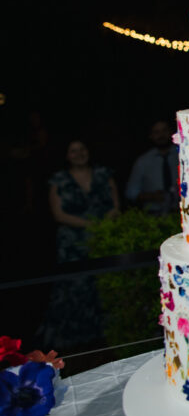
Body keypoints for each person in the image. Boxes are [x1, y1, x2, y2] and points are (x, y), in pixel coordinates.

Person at [46, 139, 121, 347]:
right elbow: (58, 214)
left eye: (82, 149)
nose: (79, 154)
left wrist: (105, 223)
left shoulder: (104, 174)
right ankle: (75, 340)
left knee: (104, 285)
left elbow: (116, 205)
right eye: (73, 151)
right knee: (74, 288)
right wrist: (90, 224)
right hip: (73, 244)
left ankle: (107, 334)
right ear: (67, 155)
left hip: (102, 239)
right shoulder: (59, 180)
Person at [125, 120, 179, 215]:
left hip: (181, 211)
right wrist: (151, 196)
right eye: (156, 132)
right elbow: (131, 192)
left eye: (164, 131)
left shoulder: (183, 155)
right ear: (151, 136)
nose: (161, 135)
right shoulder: (143, 161)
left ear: (171, 132)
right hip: (154, 215)